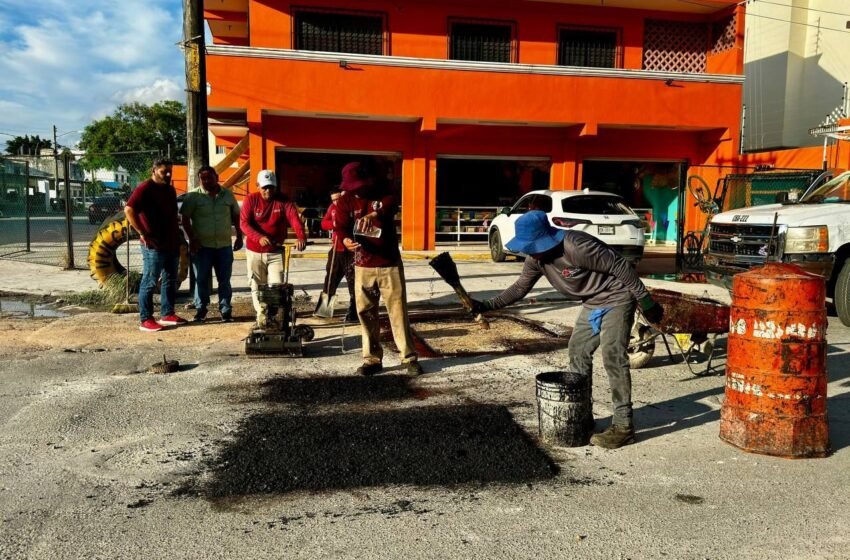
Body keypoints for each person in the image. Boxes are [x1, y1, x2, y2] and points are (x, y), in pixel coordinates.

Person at [470, 211, 663, 449]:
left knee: (613, 355)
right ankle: (582, 414)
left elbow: (620, 266)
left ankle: (623, 426)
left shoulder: (576, 246)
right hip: (592, 302)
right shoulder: (536, 259)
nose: (530, 252)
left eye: (532, 246)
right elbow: (520, 288)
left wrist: (646, 301)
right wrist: (487, 305)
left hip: (617, 296)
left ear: (545, 239)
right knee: (578, 351)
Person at [334, 160, 423, 376]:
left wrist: (374, 215)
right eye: (351, 188)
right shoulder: (344, 201)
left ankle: (409, 357)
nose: (355, 192)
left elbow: (391, 205)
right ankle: (372, 359)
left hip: (388, 263)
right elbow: (340, 227)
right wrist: (346, 241)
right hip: (362, 265)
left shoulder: (383, 192)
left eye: (357, 187)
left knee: (398, 311)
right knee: (366, 313)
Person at [124, 158, 187, 332]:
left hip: (171, 242)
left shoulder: (169, 190)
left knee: (169, 279)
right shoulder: (144, 189)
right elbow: (129, 209)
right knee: (150, 281)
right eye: (163, 171)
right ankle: (146, 319)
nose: (167, 174)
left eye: (169, 171)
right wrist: (142, 232)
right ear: (154, 170)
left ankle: (167, 314)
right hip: (154, 244)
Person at [239, 169, 307, 328]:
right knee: (257, 285)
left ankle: (276, 318)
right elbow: (244, 223)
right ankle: (262, 317)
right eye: (264, 187)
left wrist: (301, 236)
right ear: (258, 186)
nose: (268, 190)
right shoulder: (251, 200)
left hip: (275, 251)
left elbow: (294, 218)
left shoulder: (283, 201)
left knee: (277, 286)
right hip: (254, 251)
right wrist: (258, 237)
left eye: (271, 187)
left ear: (276, 187)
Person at [180, 166, 243, 323]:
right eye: (203, 178)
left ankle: (225, 310)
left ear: (217, 177)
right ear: (199, 179)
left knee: (225, 280)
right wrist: (193, 239)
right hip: (202, 247)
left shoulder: (227, 195)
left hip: (224, 246)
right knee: (201, 279)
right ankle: (201, 310)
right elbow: (185, 219)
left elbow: (236, 216)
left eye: (210, 177)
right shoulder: (193, 196)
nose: (206, 181)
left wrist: (240, 237)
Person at [316, 188, 357, 322]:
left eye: (338, 198)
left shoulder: (351, 207)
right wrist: (334, 223)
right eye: (333, 199)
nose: (336, 202)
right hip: (336, 250)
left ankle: (354, 311)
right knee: (330, 279)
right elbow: (323, 223)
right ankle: (324, 310)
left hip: (351, 250)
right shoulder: (332, 208)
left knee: (353, 281)